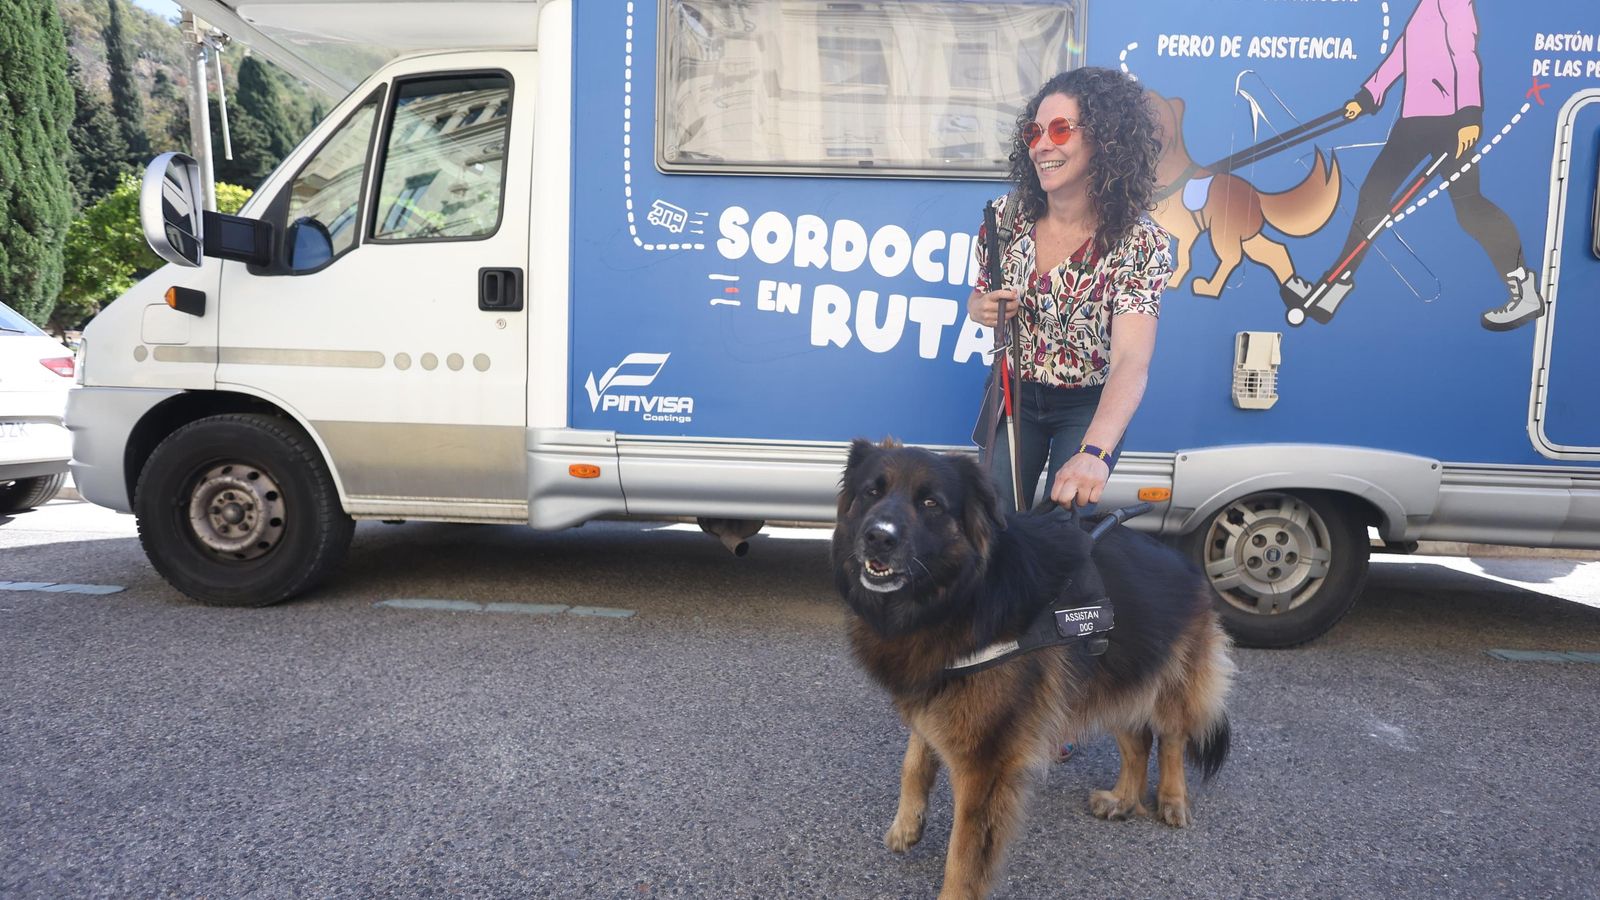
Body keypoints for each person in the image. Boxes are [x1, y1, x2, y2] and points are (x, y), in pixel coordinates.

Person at [970, 67, 1173, 517]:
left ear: (1106, 139)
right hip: (1013, 393)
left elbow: (1131, 361)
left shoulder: (1138, 242)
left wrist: (1095, 453)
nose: (1043, 144)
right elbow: (980, 296)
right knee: (990, 520)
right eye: (1034, 131)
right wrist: (980, 307)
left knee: (1061, 529)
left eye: (1061, 129)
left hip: (1086, 403)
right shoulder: (1005, 218)